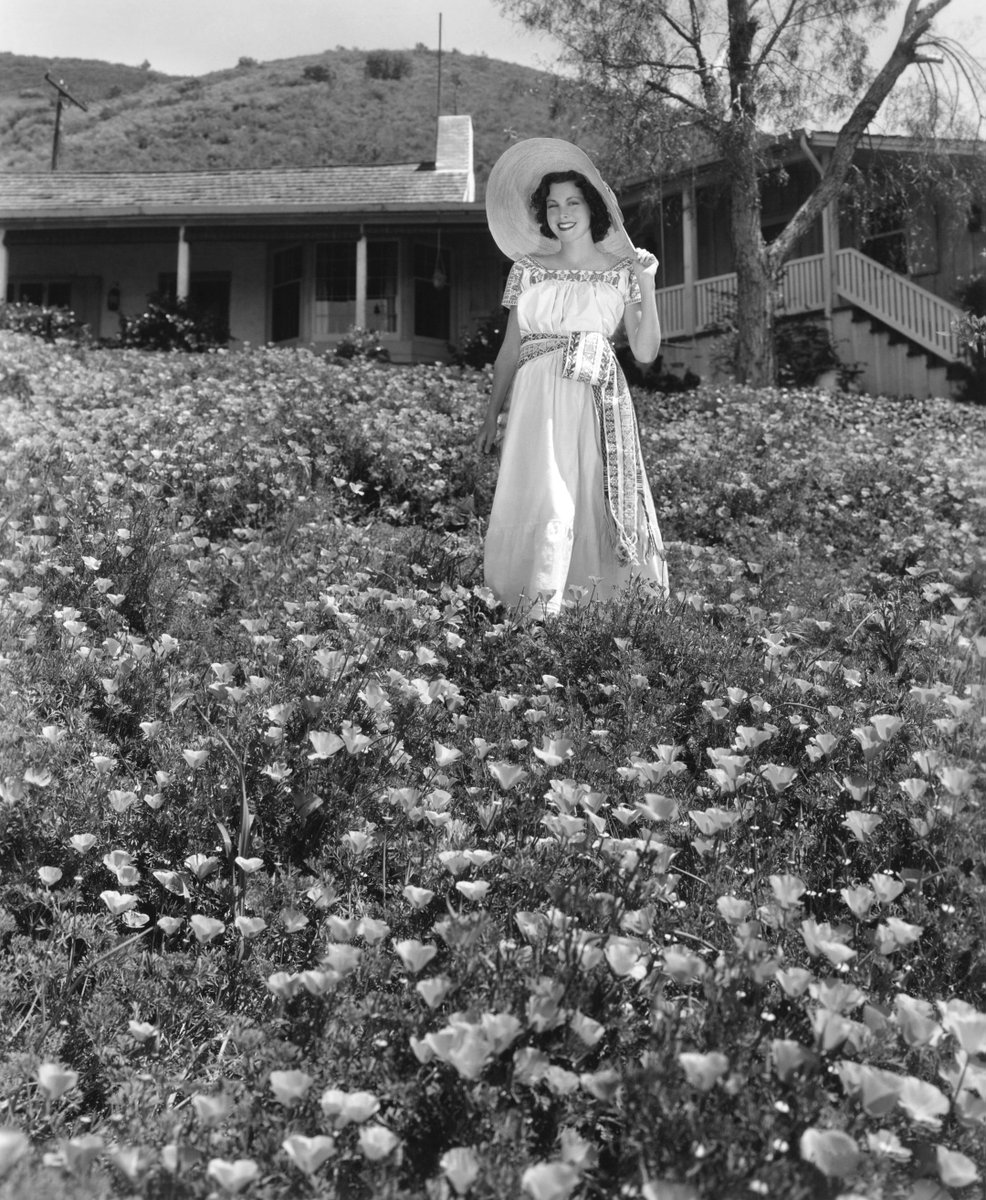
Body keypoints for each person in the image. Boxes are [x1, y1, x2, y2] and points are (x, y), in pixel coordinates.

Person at [475, 138, 669, 618]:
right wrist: (491, 416)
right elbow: (509, 352)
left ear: (592, 208)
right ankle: (533, 606)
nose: (562, 213)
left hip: (595, 397)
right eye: (553, 205)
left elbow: (645, 352)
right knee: (545, 494)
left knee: (588, 492)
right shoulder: (527, 270)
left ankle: (600, 605)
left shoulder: (622, 273)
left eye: (573, 202)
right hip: (536, 399)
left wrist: (646, 283)